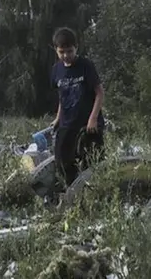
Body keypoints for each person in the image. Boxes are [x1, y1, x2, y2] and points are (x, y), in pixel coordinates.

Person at [49, 27, 106, 188]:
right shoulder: (56, 70)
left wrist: (93, 119)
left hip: (88, 126)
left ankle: (94, 195)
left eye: (69, 51)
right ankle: (73, 195)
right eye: (62, 52)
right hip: (67, 124)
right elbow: (63, 96)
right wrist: (58, 118)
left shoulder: (85, 65)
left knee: (93, 164)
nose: (66, 56)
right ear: (56, 50)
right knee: (63, 162)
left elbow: (99, 93)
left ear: (76, 48)